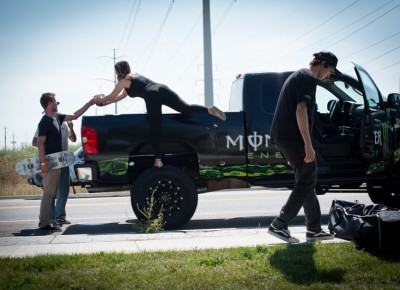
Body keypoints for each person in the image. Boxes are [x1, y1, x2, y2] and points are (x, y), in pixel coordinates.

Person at [93, 60, 226, 168]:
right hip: (162, 88)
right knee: (185, 108)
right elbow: (120, 97)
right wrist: (106, 103)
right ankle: (209, 110)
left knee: (156, 127)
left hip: (152, 95)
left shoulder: (122, 81)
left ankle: (158, 160)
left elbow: (111, 95)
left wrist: (100, 100)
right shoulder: (134, 76)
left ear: (117, 71)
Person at [268, 51, 338, 243]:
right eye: (330, 70)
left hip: (285, 138)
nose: (329, 74)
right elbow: (301, 110)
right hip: (293, 139)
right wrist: (308, 145)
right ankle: (279, 224)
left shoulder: (300, 75)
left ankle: (314, 229)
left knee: (306, 181)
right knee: (307, 180)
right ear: (322, 64)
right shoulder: (308, 78)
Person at [37, 92, 95, 231]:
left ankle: (54, 220)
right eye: (55, 101)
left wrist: (90, 102)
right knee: (49, 193)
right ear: (50, 103)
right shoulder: (44, 121)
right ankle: (44, 223)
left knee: (56, 192)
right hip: (50, 163)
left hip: (60, 162)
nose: (57, 103)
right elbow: (39, 143)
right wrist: (44, 163)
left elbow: (75, 115)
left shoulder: (57, 117)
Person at [33, 118, 76, 226]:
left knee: (64, 190)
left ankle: (60, 217)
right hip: (52, 162)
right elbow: (35, 142)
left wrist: (71, 128)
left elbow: (73, 139)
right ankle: (50, 218)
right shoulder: (46, 123)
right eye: (55, 103)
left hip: (64, 161)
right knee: (51, 191)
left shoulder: (64, 124)